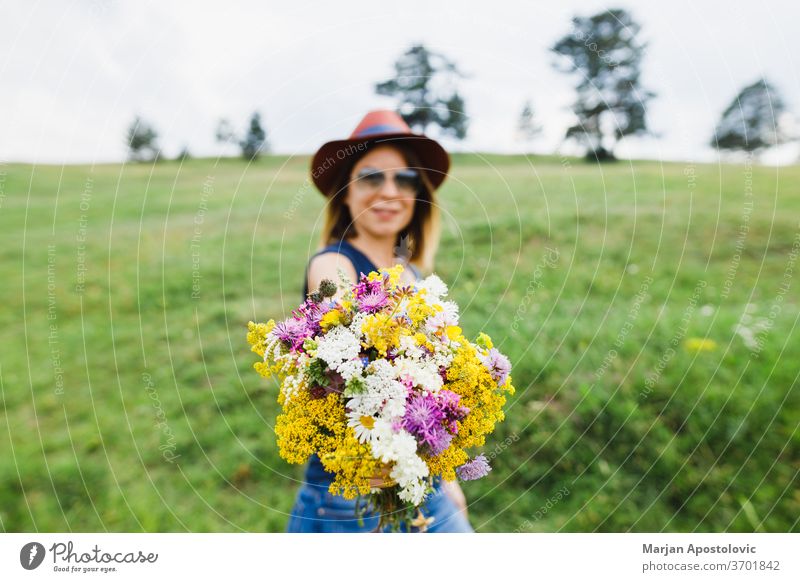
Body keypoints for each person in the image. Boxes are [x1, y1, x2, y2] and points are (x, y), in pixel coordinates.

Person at [285, 110, 474, 533]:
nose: (389, 191)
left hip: (423, 482)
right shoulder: (334, 265)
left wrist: (446, 478)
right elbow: (355, 373)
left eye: (404, 178)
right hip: (353, 490)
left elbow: (431, 389)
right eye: (371, 177)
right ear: (345, 194)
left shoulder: (412, 276)